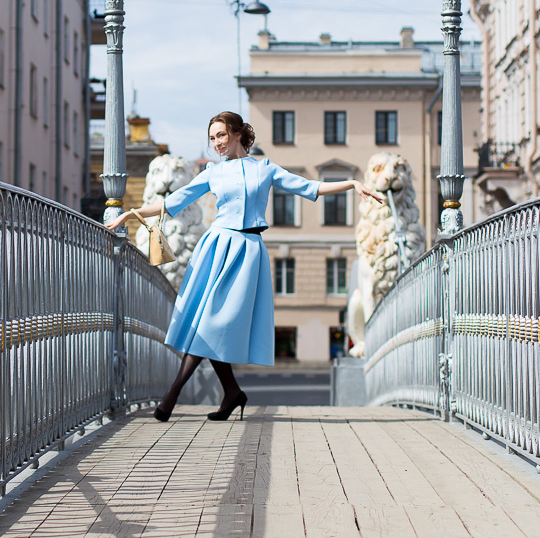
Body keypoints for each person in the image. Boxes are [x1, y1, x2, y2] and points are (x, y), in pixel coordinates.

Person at [111, 110, 384, 421]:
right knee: (207, 324)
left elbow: (309, 187)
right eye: (212, 138)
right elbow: (171, 202)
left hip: (247, 251)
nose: (217, 143)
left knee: (215, 324)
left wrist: (351, 183)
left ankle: (208, 393)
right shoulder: (213, 172)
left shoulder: (264, 169)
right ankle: (203, 394)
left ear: (238, 134)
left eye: (222, 136)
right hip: (215, 248)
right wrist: (128, 214)